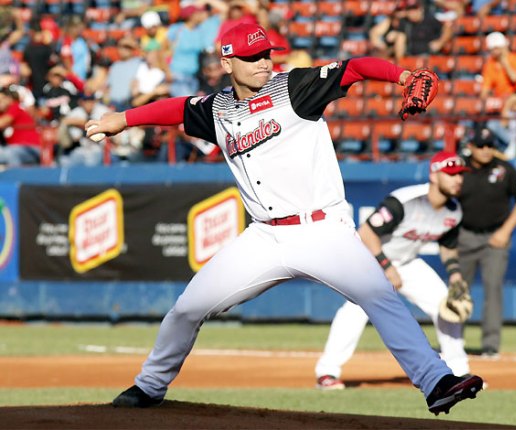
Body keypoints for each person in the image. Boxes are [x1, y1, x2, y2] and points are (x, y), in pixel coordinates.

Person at [86, 23, 483, 415]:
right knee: (187, 309)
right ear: (227, 62)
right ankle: (150, 386)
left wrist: (404, 76)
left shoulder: (293, 88)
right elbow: (178, 108)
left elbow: (355, 68)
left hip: (323, 230)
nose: (263, 61)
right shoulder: (218, 109)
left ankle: (437, 382)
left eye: (266, 53)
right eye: (251, 56)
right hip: (263, 238)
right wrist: (123, 119)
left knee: (379, 298)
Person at [315, 151, 471, 390]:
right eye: (450, 174)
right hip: (370, 261)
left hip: (407, 263)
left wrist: (456, 274)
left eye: (460, 174)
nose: (457, 179)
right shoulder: (404, 201)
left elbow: (448, 247)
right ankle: (327, 372)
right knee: (355, 312)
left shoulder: (454, 210)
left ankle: (459, 370)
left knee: (445, 304)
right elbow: (367, 233)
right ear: (434, 175)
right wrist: (386, 267)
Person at [457, 127, 516, 357]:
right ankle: (452, 344)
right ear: (471, 147)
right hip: (464, 235)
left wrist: (505, 231)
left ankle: (490, 346)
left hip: (495, 238)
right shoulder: (459, 168)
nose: (486, 150)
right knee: (457, 291)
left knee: (493, 290)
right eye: (481, 145)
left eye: (490, 146)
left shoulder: (504, 169)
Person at [0, 86, 41, 167]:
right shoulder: (2, 113)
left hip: (32, 148)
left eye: (2, 99)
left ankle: (13, 178)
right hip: (17, 149)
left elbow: (2, 123)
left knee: (10, 152)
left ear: (9, 99)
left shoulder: (14, 107)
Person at [479, 32, 516, 100]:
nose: (494, 52)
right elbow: (485, 88)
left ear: (504, 47)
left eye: (497, 48)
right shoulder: (490, 63)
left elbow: (514, 78)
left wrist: (505, 64)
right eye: (492, 49)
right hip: (499, 99)